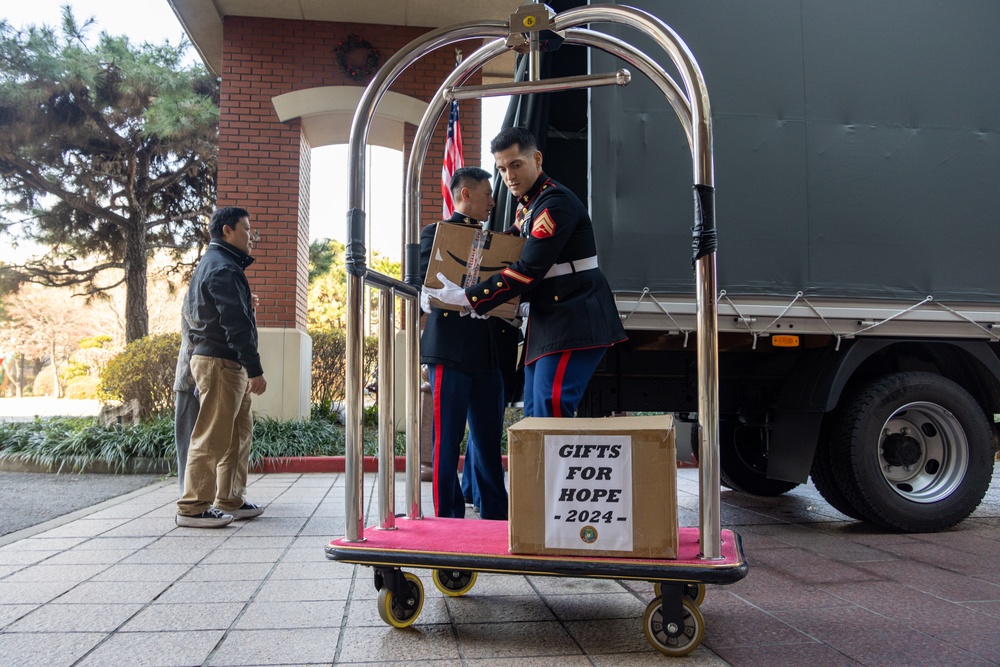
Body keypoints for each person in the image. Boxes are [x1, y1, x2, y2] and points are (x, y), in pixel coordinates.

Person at [425, 127, 627, 418]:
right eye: (502, 169)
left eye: (516, 165)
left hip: (573, 317)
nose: (509, 176)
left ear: (538, 159)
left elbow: (527, 270)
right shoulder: (528, 209)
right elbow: (498, 252)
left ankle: (552, 466)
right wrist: (437, 280)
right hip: (550, 319)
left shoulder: (554, 205)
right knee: (535, 412)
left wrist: (471, 298)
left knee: (550, 408)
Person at [419, 167, 516, 520]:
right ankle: (448, 517)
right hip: (450, 350)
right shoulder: (435, 234)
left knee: (489, 441)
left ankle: (495, 514)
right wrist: (442, 296)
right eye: (487, 194)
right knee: (447, 442)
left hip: (487, 353)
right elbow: (421, 286)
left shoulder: (497, 242)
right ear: (465, 195)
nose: (493, 201)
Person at [176, 206, 267, 528]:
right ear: (227, 230)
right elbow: (235, 324)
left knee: (237, 436)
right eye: (246, 229)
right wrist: (255, 369)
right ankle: (193, 506)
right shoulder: (222, 268)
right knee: (213, 436)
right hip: (220, 362)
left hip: (226, 362)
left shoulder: (220, 265)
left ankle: (229, 498)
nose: (251, 237)